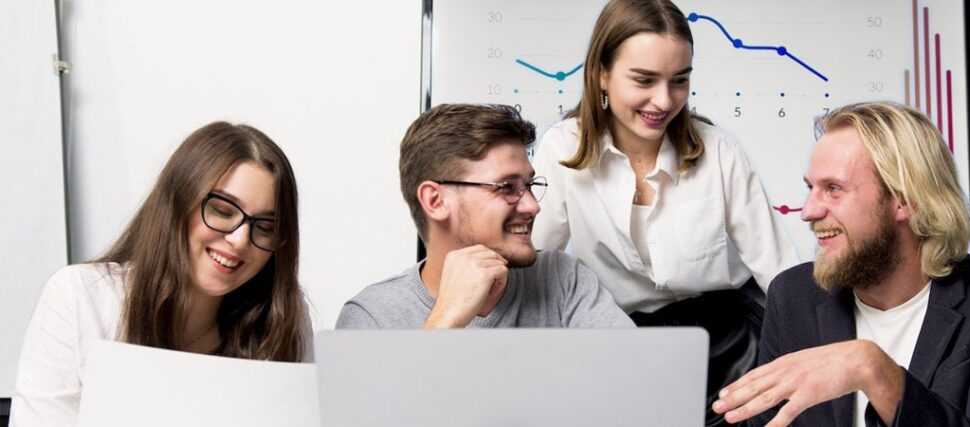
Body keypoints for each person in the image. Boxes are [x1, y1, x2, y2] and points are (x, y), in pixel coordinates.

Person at [530, 0, 799, 421]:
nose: (664, 100)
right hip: (620, 343)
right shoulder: (562, 148)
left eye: (679, 81)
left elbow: (778, 271)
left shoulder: (720, 152)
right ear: (602, 72)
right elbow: (534, 264)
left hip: (731, 342)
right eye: (644, 79)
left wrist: (818, 363)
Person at [712, 102, 970, 426]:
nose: (808, 211)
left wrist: (873, 370)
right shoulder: (794, 296)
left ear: (904, 200)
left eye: (833, 189)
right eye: (811, 188)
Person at [11, 122, 312, 426]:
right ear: (178, 203)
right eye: (222, 210)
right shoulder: (80, 298)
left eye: (266, 227)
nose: (240, 240)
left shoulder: (284, 314)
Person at [336, 104, 634, 329]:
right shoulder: (372, 317)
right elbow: (382, 413)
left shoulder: (562, 278)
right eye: (507, 187)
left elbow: (639, 386)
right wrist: (446, 318)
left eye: (529, 185)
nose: (532, 206)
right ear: (436, 200)